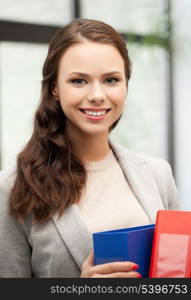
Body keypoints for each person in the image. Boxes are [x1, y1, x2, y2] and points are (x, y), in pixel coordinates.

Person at [0, 18, 181, 278]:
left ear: (125, 86)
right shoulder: (12, 188)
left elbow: (178, 280)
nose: (97, 94)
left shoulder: (157, 174)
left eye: (111, 80)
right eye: (78, 81)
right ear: (54, 89)